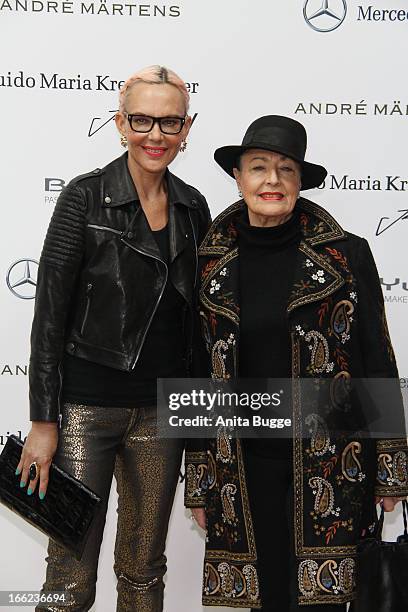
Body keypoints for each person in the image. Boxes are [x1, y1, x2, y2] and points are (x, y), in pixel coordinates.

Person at [185, 115, 408, 611]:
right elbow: (199, 369)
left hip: (332, 461)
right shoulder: (207, 261)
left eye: (286, 170)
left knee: (322, 602)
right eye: (258, 168)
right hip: (241, 464)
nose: (272, 181)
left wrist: (389, 472)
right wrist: (199, 479)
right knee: (265, 597)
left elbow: (377, 360)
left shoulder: (348, 254)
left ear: (300, 182)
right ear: (238, 177)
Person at [16, 65, 211, 612]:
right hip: (84, 409)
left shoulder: (194, 206)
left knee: (144, 570)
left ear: (187, 128)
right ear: (121, 123)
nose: (156, 135)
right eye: (143, 120)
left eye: (169, 122)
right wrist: (44, 422)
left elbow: (198, 329)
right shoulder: (84, 197)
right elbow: (50, 315)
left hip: (162, 413)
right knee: (68, 574)